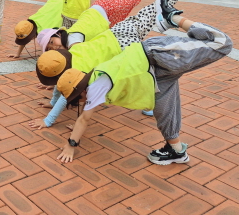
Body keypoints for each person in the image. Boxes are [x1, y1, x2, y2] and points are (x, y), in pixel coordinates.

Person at [55, 14, 232, 165]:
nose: (83, 102)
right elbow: (84, 114)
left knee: (222, 44)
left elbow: (84, 119)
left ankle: (174, 18)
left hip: (157, 55)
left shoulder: (97, 84)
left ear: (82, 90)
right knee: (162, 109)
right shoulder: (93, 83)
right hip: (154, 76)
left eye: (79, 98)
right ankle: (176, 150)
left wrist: (71, 145)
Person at [29, 0, 200, 130]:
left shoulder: (73, 70)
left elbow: (63, 96)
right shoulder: (71, 50)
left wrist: (48, 120)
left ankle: (151, 102)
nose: (53, 47)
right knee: (147, 14)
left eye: (51, 44)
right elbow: (60, 86)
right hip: (116, 32)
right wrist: (51, 101)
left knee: (139, 75)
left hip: (123, 48)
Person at [9, 0, 161, 59]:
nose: (52, 47)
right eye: (50, 48)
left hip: (102, 10)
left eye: (50, 43)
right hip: (92, 19)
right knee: (116, 34)